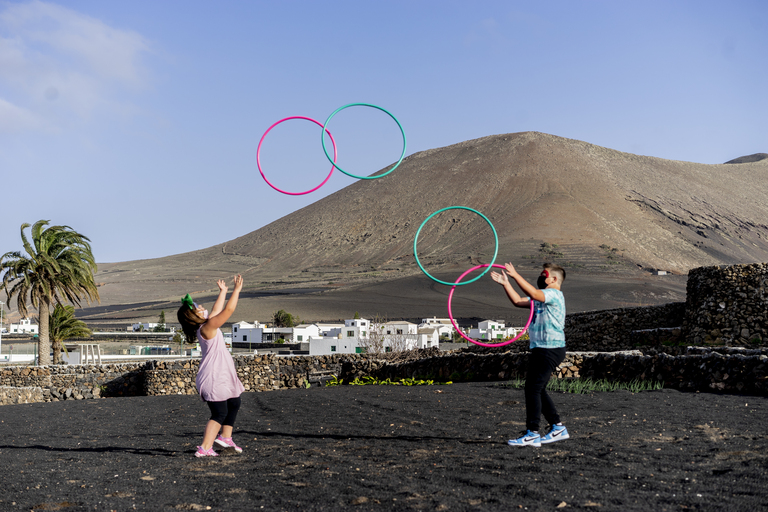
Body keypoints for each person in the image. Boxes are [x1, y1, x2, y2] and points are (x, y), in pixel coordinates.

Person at [491, 262, 569, 447]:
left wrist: (515, 275)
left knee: (533, 388)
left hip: (550, 348)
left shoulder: (554, 295)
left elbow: (534, 293)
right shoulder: (542, 299)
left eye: (544, 274)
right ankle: (557, 428)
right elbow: (518, 301)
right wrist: (506, 283)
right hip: (540, 348)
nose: (541, 277)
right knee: (537, 388)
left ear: (554, 279)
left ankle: (533, 433)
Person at [177, 275, 245, 457]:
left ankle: (225, 438)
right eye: (198, 308)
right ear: (194, 316)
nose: (201, 307)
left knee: (234, 402)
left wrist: (223, 292)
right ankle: (205, 447)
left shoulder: (207, 325)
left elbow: (216, 309)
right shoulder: (207, 328)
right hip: (214, 375)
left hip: (221, 372)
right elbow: (228, 311)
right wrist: (236, 290)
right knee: (219, 412)